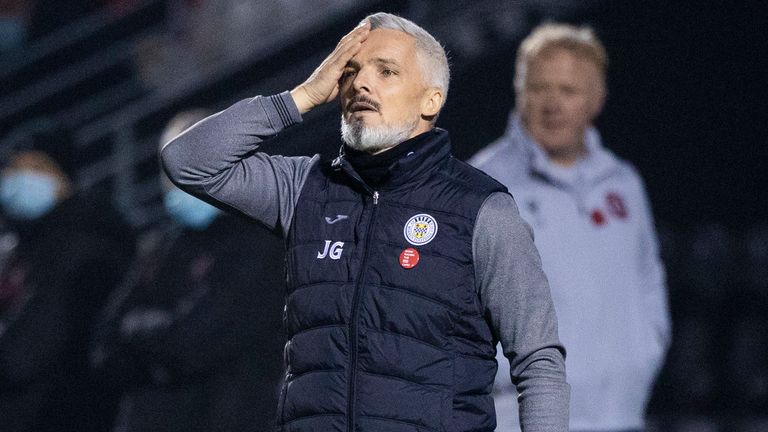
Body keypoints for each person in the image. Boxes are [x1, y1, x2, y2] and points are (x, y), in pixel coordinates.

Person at [161, 12, 568, 432]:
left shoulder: (481, 209)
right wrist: (298, 97)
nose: (360, 83)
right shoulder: (305, 188)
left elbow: (538, 359)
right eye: (349, 71)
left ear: (431, 100)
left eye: (386, 71)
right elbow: (187, 162)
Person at [469, 23, 671, 432]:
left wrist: (642, 356)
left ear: (596, 100)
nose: (552, 104)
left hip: (621, 414)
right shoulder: (482, 184)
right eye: (539, 88)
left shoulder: (622, 182)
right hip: (523, 420)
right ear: (519, 92)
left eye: (568, 90)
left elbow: (649, 279)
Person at [90, 110, 287, 432]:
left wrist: (141, 338)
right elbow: (104, 347)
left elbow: (196, 342)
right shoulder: (161, 247)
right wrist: (162, 341)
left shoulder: (263, 238)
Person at [0, 133, 136, 432]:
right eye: (13, 168)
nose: (16, 178)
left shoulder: (83, 240)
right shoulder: (30, 242)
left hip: (63, 411)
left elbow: (30, 346)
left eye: (36, 169)